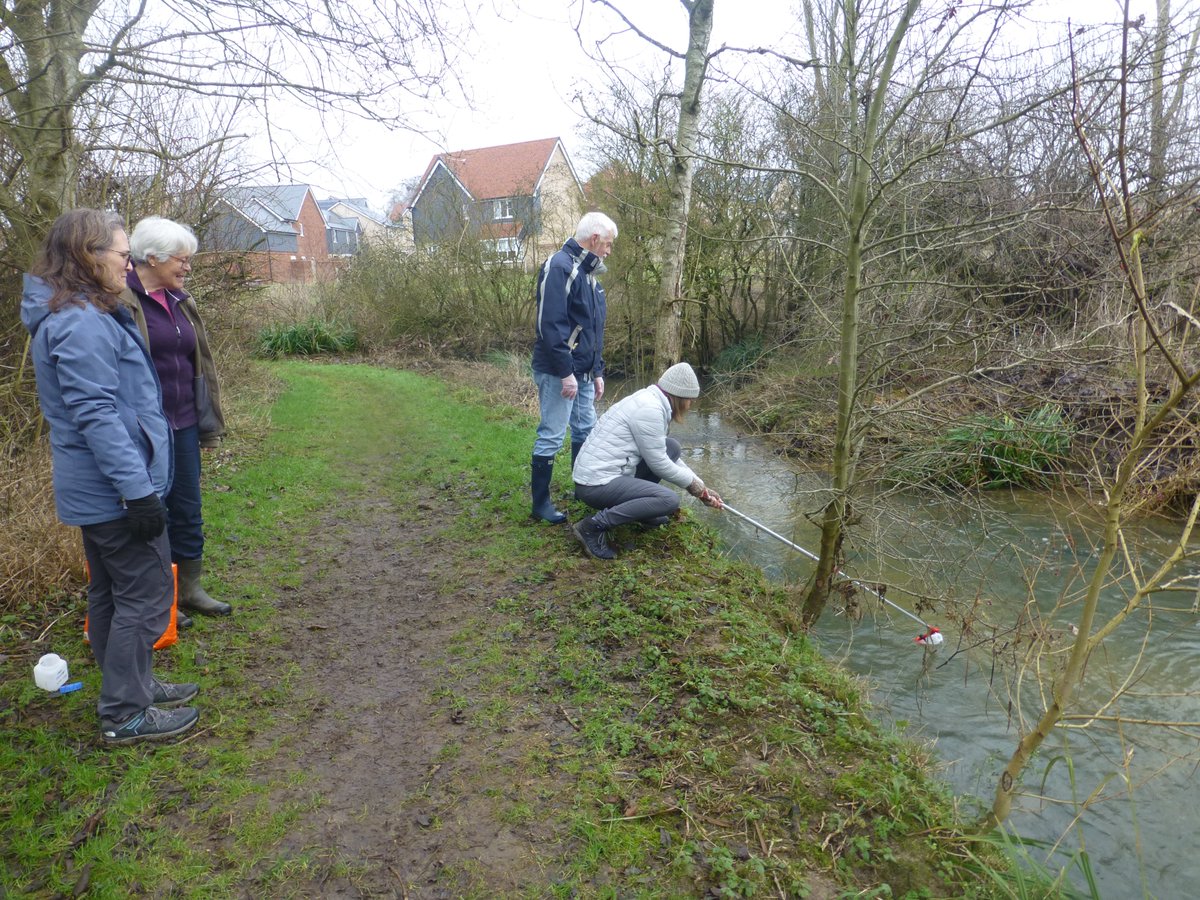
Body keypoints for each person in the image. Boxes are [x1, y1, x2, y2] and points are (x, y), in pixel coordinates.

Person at [21, 208, 200, 744]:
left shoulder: (83, 312)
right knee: (144, 596)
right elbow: (95, 414)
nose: (128, 265)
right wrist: (138, 492)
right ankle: (125, 712)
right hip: (114, 491)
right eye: (122, 255)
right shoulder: (79, 320)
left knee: (111, 593)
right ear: (88, 255)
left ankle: (132, 686)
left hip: (102, 489)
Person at [122, 216, 230, 620]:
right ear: (151, 259)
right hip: (143, 431)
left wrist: (206, 421)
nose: (187, 268)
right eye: (180, 261)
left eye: (189, 260)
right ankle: (159, 597)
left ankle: (190, 589)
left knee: (187, 507)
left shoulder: (182, 301)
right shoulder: (120, 301)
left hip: (182, 423)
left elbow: (201, 364)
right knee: (155, 511)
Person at [571, 362, 724, 560]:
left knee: (672, 447)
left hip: (605, 476)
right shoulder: (650, 410)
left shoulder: (651, 399)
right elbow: (659, 464)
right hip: (595, 485)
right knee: (669, 500)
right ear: (679, 396)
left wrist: (702, 486)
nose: (691, 405)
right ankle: (593, 526)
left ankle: (643, 512)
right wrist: (695, 489)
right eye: (690, 400)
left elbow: (664, 454)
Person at [529, 211, 618, 523]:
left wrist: (597, 372)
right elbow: (549, 326)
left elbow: (593, 331)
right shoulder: (560, 266)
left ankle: (585, 491)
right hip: (558, 372)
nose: (609, 250)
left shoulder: (590, 278)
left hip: (582, 373)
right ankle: (540, 505)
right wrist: (566, 373)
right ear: (594, 239)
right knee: (552, 435)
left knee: (586, 430)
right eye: (607, 244)